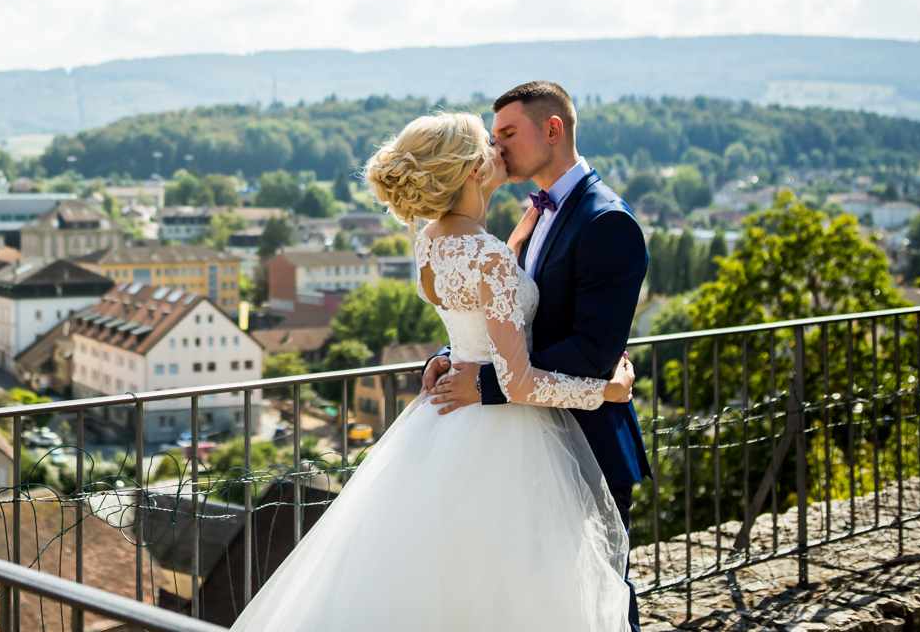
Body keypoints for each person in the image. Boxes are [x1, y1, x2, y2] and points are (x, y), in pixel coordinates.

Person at [230, 107, 637, 632]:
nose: (499, 149)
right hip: (505, 432)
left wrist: (506, 257)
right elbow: (515, 380)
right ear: (472, 170)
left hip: (444, 424)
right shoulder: (486, 258)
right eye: (489, 144)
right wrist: (606, 390)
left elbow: (475, 311)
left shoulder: (430, 244)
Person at [426, 80, 651, 631]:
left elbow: (594, 352)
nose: (496, 148)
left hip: (586, 441)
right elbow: (503, 317)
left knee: (597, 602)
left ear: (553, 130)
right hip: (521, 445)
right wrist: (452, 355)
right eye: (493, 135)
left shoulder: (608, 222)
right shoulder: (532, 215)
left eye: (507, 133)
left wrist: (482, 384)